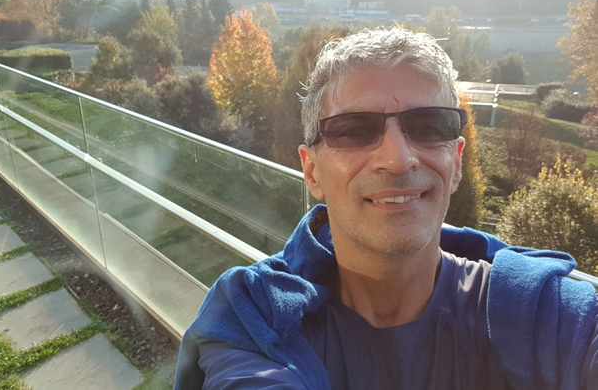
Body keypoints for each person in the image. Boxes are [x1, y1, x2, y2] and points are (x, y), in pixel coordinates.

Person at [175, 28, 598, 389]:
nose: (397, 159)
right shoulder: (251, 318)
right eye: (353, 130)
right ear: (312, 171)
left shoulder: (547, 313)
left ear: (456, 164)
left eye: (428, 126)